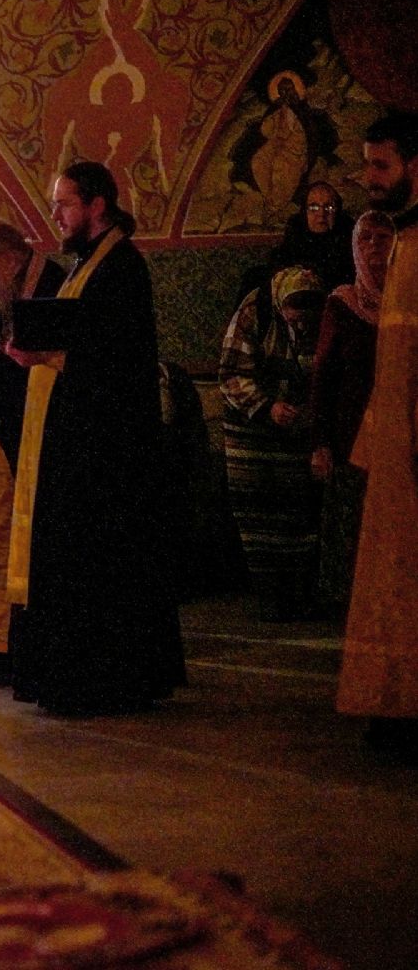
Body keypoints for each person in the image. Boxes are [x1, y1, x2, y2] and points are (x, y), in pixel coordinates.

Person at [3, 161, 183, 715]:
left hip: (108, 452)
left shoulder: (122, 268)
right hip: (81, 439)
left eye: (64, 203)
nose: (55, 214)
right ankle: (75, 675)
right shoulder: (88, 263)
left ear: (97, 205)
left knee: (100, 564)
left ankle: (101, 680)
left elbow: (115, 359)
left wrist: (48, 355)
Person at [337, 113, 418, 755]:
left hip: (414, 445)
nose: (369, 178)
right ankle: (393, 703)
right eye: (367, 164)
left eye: (381, 165)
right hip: (395, 444)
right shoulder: (403, 241)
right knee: (390, 580)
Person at [0, 218, 65, 682]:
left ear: (7, 257)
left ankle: (23, 648)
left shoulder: (52, 284)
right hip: (3, 430)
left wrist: (7, 358)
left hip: (41, 432)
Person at [219, 266, 324, 621]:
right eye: (295, 313)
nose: (302, 322)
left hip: (296, 433)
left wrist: (310, 411)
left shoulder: (321, 318)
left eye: (308, 314)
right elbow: (232, 372)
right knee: (259, 517)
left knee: (298, 516)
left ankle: (299, 595)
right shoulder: (255, 312)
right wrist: (267, 407)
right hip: (251, 431)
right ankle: (270, 597)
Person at [310, 211, 395, 607]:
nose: (374, 246)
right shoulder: (343, 305)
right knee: (355, 534)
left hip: (400, 437)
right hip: (351, 439)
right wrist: (321, 442)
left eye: (383, 237)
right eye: (366, 238)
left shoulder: (409, 300)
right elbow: (324, 376)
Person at [270, 181, 356, 296]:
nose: (321, 214)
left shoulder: (347, 233)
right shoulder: (296, 230)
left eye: (329, 207)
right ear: (304, 211)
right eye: (314, 207)